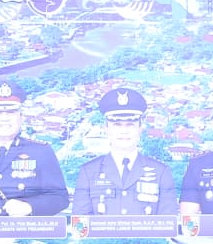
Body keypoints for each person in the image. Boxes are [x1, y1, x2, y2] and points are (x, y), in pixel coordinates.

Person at [0, 78, 69, 218]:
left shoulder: (41, 151)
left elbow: (60, 198)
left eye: (11, 112)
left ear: (21, 117)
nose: (5, 118)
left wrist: (29, 206)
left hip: (27, 236)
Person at [71, 88, 179, 217]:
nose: (124, 131)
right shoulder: (89, 172)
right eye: (117, 124)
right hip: (102, 238)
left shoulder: (161, 172)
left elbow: (166, 224)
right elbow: (81, 225)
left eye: (130, 124)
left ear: (140, 128)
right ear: (105, 129)